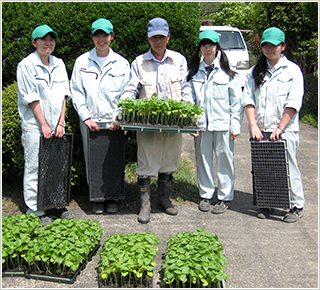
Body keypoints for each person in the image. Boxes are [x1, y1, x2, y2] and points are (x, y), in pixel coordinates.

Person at [120, 17, 193, 224]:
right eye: (154, 38)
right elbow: (131, 87)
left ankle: (164, 200)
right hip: (148, 123)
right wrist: (125, 105)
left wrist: (190, 111)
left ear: (168, 37)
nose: (158, 41)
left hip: (173, 122)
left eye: (161, 37)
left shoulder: (178, 60)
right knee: (146, 162)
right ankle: (145, 205)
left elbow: (185, 87)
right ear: (148, 39)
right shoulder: (139, 62)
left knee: (169, 161)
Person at [242, 27, 305, 222]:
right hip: (261, 128)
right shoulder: (254, 71)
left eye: (274, 46)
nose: (269, 49)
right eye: (266, 46)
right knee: (264, 168)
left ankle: (296, 205)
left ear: (283, 47)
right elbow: (248, 99)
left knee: (288, 166)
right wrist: (253, 125)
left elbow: (293, 103)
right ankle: (267, 202)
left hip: (285, 129)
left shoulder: (293, 71)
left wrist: (280, 128)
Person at [71, 18, 130, 214]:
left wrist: (119, 117)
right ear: (92, 37)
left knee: (113, 159)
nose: (101, 38)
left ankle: (112, 197)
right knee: (92, 160)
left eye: (105, 34)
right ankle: (96, 198)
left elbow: (128, 93)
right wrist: (85, 117)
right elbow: (76, 91)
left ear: (112, 36)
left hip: (114, 120)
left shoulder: (121, 63)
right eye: (97, 34)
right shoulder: (82, 62)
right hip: (90, 120)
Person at [17, 24, 72, 224]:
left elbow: (64, 95)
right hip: (35, 125)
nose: (48, 43)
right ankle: (36, 208)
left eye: (51, 39)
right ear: (34, 42)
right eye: (43, 39)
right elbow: (31, 98)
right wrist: (44, 125)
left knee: (57, 165)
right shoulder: (26, 65)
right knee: (34, 166)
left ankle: (56, 204)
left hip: (56, 125)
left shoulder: (59, 64)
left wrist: (60, 123)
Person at [187, 30, 243, 214]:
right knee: (202, 160)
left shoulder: (228, 74)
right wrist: (192, 124)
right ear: (200, 48)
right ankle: (205, 194)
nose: (207, 48)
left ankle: (224, 197)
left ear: (217, 47)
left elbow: (236, 103)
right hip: (202, 126)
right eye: (204, 44)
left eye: (211, 44)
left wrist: (235, 126)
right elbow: (190, 101)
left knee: (224, 161)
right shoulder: (194, 73)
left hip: (223, 125)